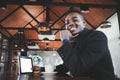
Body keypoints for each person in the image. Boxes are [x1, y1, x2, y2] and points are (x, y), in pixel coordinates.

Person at [57, 9, 115, 80]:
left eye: (75, 20)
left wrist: (65, 41)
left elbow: (76, 69)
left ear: (84, 23)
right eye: (67, 23)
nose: (70, 24)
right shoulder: (74, 42)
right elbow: (66, 66)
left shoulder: (97, 36)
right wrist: (42, 69)